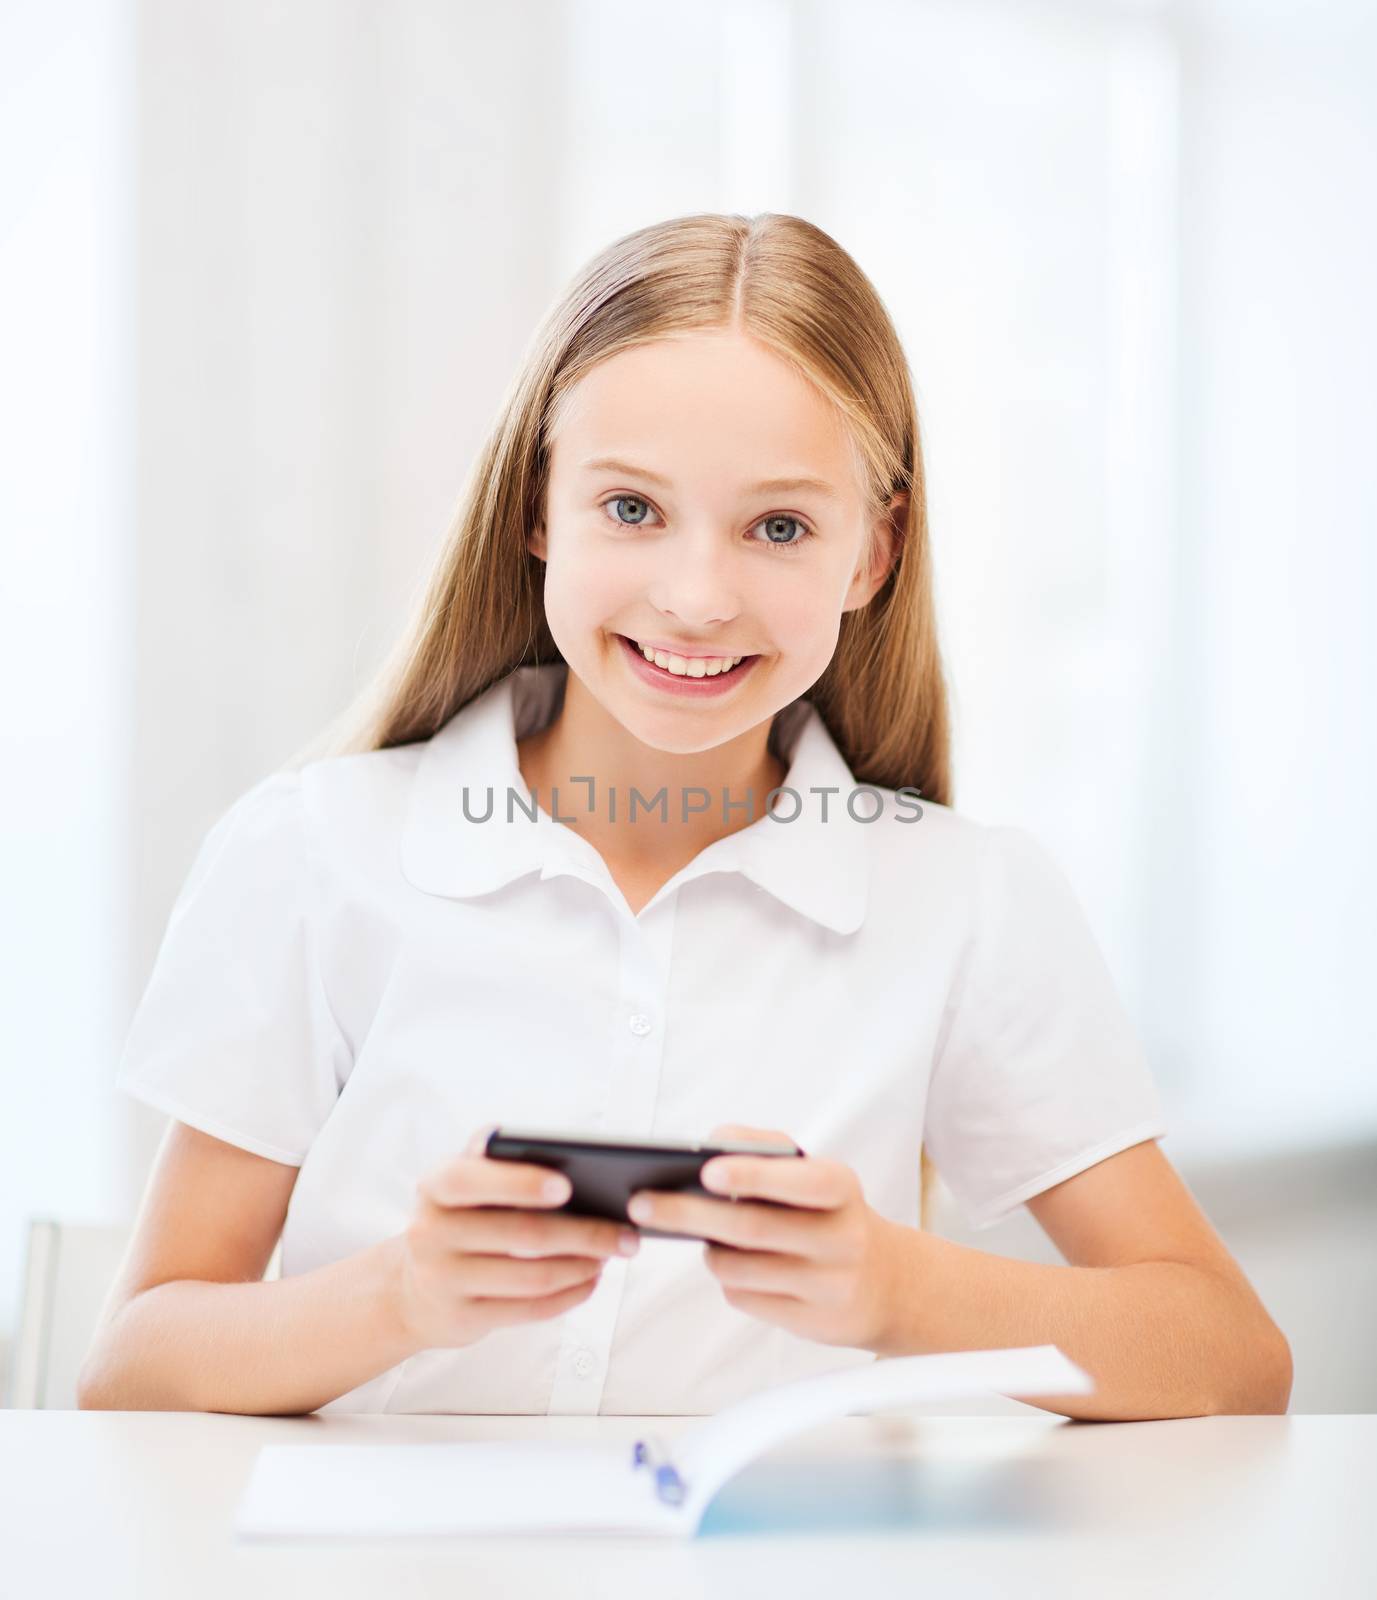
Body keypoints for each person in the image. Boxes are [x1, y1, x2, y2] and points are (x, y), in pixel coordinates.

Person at [78, 213, 1291, 1421]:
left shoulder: (963, 901)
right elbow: (133, 1371)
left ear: (873, 553)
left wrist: (897, 1286)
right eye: (632, 509)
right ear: (537, 507)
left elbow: (1230, 1357)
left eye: (779, 527)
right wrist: (399, 1295)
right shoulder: (313, 854)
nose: (697, 596)